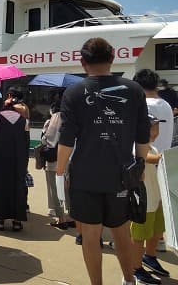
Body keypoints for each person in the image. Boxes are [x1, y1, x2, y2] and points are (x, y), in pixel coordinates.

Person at [57, 37, 150, 285]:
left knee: (90, 236)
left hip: (85, 177)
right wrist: (139, 169)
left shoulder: (74, 92)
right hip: (122, 175)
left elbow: (66, 139)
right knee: (121, 232)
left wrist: (60, 171)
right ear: (112, 58)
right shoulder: (134, 90)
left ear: (82, 61)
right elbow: (143, 137)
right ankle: (129, 280)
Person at [132, 69, 173, 284]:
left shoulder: (141, 107)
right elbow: (141, 151)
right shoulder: (165, 104)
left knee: (150, 222)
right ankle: (142, 261)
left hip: (151, 177)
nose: (155, 130)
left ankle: (141, 262)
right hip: (157, 174)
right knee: (150, 222)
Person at [128, 115, 168, 285]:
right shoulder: (134, 146)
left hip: (156, 199)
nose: (156, 131)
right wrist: (163, 158)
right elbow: (144, 160)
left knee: (157, 230)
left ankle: (149, 257)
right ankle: (136, 268)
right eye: (153, 127)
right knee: (139, 236)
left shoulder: (152, 146)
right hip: (143, 200)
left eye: (157, 127)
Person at [0, 90, 29, 231]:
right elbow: (26, 142)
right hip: (19, 159)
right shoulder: (24, 121)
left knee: (0, 187)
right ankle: (17, 221)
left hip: (0, 158)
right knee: (17, 187)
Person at [42, 100, 72, 229]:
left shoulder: (52, 120)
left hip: (54, 160)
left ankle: (60, 218)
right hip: (69, 159)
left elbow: (46, 139)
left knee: (56, 189)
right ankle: (71, 216)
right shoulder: (70, 119)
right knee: (68, 188)